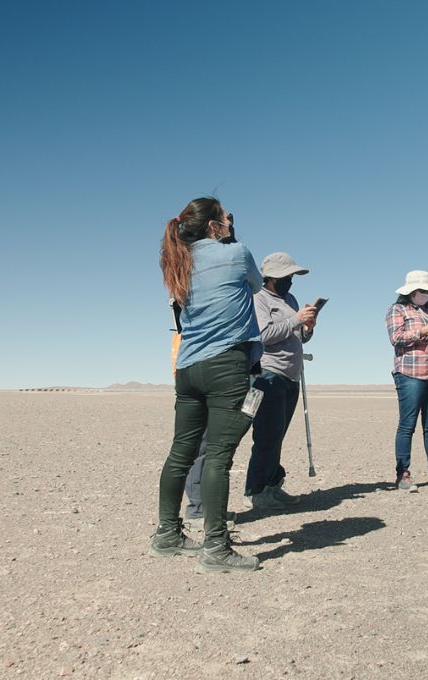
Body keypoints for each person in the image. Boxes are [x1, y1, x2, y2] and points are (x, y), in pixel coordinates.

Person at [153, 197, 263, 572]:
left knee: (181, 451)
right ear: (215, 226)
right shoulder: (237, 253)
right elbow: (256, 283)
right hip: (226, 365)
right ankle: (216, 547)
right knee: (218, 455)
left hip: (188, 369)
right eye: (225, 218)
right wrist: (233, 236)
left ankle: (167, 533)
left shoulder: (180, 262)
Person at [244, 252, 318, 510]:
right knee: (266, 435)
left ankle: (272, 485)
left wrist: (307, 327)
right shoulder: (259, 299)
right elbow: (264, 335)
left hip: (291, 375)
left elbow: (296, 336)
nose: (291, 281)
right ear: (272, 277)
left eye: (292, 277)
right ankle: (256, 490)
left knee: (277, 435)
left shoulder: (291, 299)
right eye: (287, 277)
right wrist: (296, 319)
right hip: (268, 374)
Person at [386, 270, 428, 492]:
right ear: (412, 291)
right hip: (410, 373)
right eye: (422, 291)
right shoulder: (397, 310)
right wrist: (423, 330)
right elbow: (396, 339)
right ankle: (403, 475)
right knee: (407, 425)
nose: (426, 294)